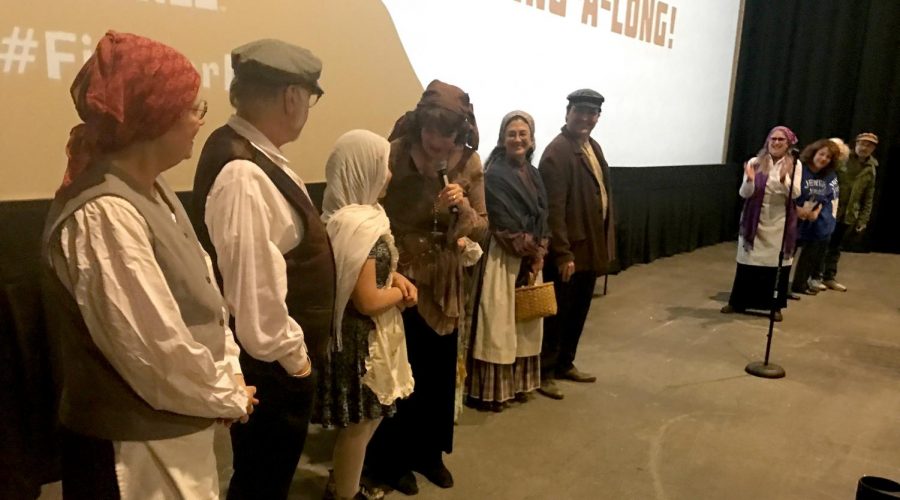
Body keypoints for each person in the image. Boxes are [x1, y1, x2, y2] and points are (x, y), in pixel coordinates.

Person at [41, 31, 255, 499]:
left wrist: (228, 373)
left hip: (172, 431)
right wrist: (227, 393)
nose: (200, 121)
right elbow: (152, 350)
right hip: (130, 454)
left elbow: (201, 297)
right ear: (154, 118)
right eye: (193, 108)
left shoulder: (150, 190)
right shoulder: (104, 213)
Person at [192, 39, 334, 499]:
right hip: (274, 368)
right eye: (309, 98)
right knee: (261, 481)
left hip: (277, 363)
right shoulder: (244, 173)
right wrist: (299, 363)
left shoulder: (256, 155)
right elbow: (256, 305)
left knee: (265, 477)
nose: (307, 109)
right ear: (293, 97)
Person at [364, 80, 488, 495]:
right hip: (399, 278)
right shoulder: (395, 152)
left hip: (444, 281)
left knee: (436, 371)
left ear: (460, 132)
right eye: (432, 131)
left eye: (448, 134)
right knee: (399, 370)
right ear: (420, 125)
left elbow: (484, 228)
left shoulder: (469, 163)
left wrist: (464, 208)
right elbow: (368, 204)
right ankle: (392, 461)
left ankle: (428, 455)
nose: (438, 142)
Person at [313, 130, 417, 500]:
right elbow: (369, 299)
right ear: (362, 169)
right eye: (382, 165)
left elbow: (371, 276)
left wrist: (395, 278)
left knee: (363, 423)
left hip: (362, 334)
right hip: (360, 340)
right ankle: (345, 494)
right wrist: (402, 292)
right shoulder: (358, 226)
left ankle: (341, 482)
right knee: (361, 423)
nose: (389, 173)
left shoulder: (358, 217)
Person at [537, 89, 616, 400]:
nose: (586, 118)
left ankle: (565, 363)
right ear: (567, 112)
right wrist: (563, 253)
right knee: (557, 313)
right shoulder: (557, 152)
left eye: (592, 113)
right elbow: (553, 211)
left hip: (590, 249)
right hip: (570, 252)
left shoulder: (591, 146)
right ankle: (545, 371)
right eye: (580, 111)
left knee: (579, 310)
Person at [466, 111, 548, 411]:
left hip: (528, 256)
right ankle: (493, 391)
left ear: (531, 138)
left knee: (525, 323)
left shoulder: (534, 173)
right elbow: (503, 222)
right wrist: (532, 249)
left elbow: (543, 213)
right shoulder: (496, 175)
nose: (517, 139)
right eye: (511, 133)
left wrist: (541, 250)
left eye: (522, 134)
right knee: (497, 322)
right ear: (502, 139)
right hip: (503, 255)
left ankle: (518, 383)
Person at [721, 126, 802, 322]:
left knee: (777, 264)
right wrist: (749, 180)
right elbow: (744, 194)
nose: (775, 143)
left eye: (780, 140)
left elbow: (797, 193)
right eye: (773, 139)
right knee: (748, 262)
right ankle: (738, 302)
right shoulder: (755, 163)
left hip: (779, 221)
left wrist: (784, 179)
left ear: (788, 143)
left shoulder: (794, 164)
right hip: (753, 221)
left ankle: (774, 307)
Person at [820, 132, 880, 292]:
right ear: (856, 143)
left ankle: (828, 277)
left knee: (835, 247)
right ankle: (814, 276)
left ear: (873, 148)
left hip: (849, 214)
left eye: (869, 145)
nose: (865, 147)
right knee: (821, 244)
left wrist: (862, 220)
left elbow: (868, 196)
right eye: (863, 143)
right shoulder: (843, 159)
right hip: (831, 209)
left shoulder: (871, 168)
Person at [791, 139, 840, 296]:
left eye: (828, 157)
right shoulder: (799, 168)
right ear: (814, 153)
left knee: (810, 254)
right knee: (787, 254)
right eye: (821, 154)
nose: (823, 159)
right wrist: (797, 210)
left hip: (814, 218)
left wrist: (816, 212)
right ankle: (779, 287)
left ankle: (800, 284)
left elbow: (828, 196)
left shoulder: (829, 175)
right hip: (794, 215)